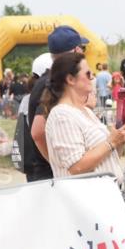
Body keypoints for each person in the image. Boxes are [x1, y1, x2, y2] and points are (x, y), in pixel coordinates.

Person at [41, 52, 125, 179]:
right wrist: (111, 142)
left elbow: (110, 155)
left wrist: (121, 136)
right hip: (85, 197)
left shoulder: (85, 111)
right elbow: (76, 167)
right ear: (70, 79)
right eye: (88, 74)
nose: (93, 78)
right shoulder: (61, 116)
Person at [27, 30, 87, 183]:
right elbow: (38, 132)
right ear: (76, 50)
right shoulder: (52, 82)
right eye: (82, 49)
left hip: (44, 172)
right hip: (48, 174)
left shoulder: (49, 80)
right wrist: (57, 164)